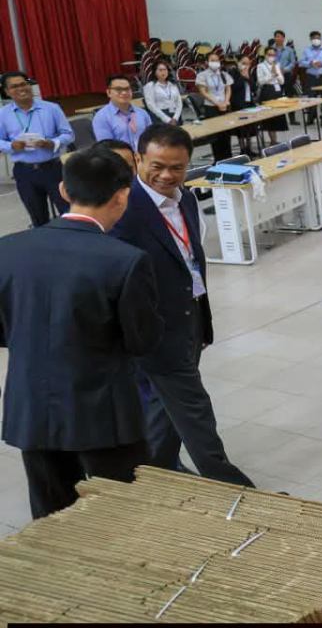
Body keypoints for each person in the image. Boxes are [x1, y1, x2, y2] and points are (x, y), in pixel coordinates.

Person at [0, 146, 163, 519]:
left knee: (52, 516)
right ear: (122, 196)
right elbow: (142, 340)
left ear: (63, 190)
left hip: (32, 408)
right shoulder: (125, 260)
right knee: (125, 512)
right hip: (104, 413)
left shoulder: (8, 249)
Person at [110, 124, 255, 488]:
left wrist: (199, 318)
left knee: (164, 406)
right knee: (194, 411)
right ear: (138, 159)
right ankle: (235, 489)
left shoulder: (186, 198)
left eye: (177, 167)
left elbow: (190, 260)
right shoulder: (122, 209)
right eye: (157, 166)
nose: (166, 175)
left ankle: (155, 472)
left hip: (189, 316)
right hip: (153, 330)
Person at [0, 70, 73, 227]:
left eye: (24, 84)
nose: (21, 89)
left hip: (53, 168)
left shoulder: (52, 108)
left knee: (69, 213)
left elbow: (68, 134)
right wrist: (11, 146)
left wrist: (52, 143)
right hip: (25, 172)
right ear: (7, 92)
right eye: (14, 87)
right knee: (38, 218)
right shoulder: (3, 114)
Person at [93, 74, 153, 153]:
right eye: (118, 89)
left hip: (145, 156)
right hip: (119, 159)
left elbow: (151, 138)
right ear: (109, 92)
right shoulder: (101, 117)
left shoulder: (142, 113)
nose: (124, 92)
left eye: (127, 89)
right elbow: (107, 148)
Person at [300, 30, 322, 124]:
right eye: (314, 38)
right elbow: (301, 63)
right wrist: (310, 63)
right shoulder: (306, 51)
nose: (316, 40)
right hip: (311, 76)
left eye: (318, 38)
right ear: (310, 39)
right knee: (311, 97)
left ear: (320, 39)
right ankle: (311, 118)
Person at [256, 46, 289, 145]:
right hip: (267, 91)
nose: (271, 57)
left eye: (273, 55)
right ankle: (273, 141)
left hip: (277, 90)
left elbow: (282, 81)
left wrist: (277, 74)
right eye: (269, 54)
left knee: (277, 117)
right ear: (265, 55)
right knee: (269, 118)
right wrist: (272, 75)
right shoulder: (260, 66)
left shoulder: (277, 65)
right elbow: (260, 81)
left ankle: (275, 139)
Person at [229, 55, 257, 157]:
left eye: (248, 64)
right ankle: (242, 149)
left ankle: (249, 148)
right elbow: (234, 87)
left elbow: (254, 87)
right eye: (244, 63)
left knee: (250, 127)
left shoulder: (248, 72)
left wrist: (248, 77)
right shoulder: (233, 72)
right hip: (238, 103)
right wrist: (242, 76)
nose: (246, 65)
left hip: (249, 102)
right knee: (240, 128)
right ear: (238, 63)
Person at [144, 61, 184, 125]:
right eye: (160, 70)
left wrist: (175, 118)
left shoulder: (173, 84)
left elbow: (179, 102)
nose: (163, 72)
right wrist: (167, 120)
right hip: (160, 116)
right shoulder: (150, 86)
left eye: (165, 70)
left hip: (175, 115)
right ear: (155, 72)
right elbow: (151, 105)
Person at [272, 29, 299, 125]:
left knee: (289, 96)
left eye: (279, 36)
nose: (277, 38)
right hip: (275, 76)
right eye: (276, 36)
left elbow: (293, 62)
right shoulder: (270, 50)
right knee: (276, 96)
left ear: (283, 38)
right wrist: (276, 70)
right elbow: (267, 62)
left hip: (286, 75)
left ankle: (292, 119)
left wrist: (285, 69)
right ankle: (279, 119)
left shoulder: (289, 50)